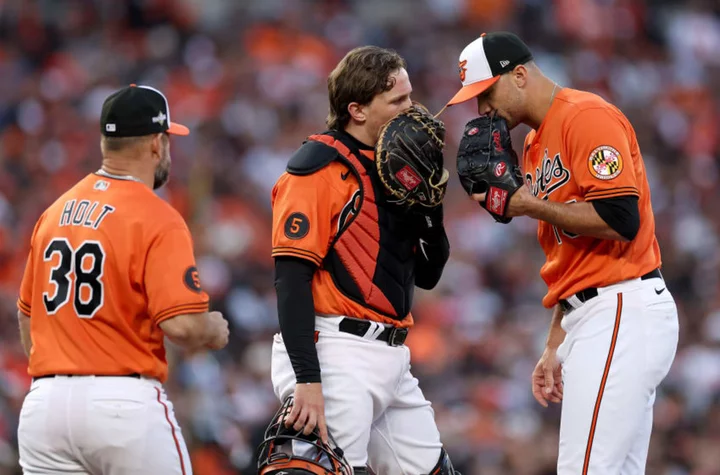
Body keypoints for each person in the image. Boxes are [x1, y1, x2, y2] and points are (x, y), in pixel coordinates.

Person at [445, 32, 679, 474]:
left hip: (622, 306)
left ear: (518, 75)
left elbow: (621, 221)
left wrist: (529, 205)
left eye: (485, 93)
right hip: (596, 311)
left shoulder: (585, 115)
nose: (482, 110)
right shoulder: (534, 143)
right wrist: (557, 339)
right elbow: (569, 251)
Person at [16, 84, 230, 475]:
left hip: (43, 408)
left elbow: (28, 316)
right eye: (167, 140)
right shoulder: (156, 216)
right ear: (155, 143)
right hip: (121, 404)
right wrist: (212, 329)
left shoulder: (54, 212)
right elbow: (182, 325)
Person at [269, 46, 457, 474]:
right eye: (398, 102)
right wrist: (308, 380)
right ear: (357, 109)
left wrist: (431, 206)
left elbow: (428, 275)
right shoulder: (318, 170)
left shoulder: (394, 164)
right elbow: (291, 281)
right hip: (335, 352)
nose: (412, 109)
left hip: (389, 353)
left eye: (410, 96)